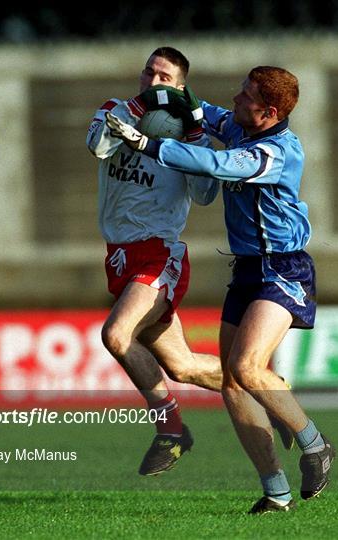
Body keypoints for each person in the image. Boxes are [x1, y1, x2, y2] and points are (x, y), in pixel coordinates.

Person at [106, 66, 336, 513]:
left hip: (283, 270)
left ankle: (315, 444)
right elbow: (205, 114)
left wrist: (147, 144)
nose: (235, 97)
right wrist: (172, 91)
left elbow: (216, 163)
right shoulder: (240, 125)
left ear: (268, 112)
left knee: (248, 368)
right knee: (232, 383)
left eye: (245, 95)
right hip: (247, 270)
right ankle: (276, 491)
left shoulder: (276, 151)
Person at [86, 47, 223, 476]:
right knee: (182, 366)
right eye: (150, 73)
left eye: (165, 78)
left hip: (159, 253)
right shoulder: (114, 111)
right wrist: (138, 108)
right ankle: (267, 388)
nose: (154, 81)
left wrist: (196, 137)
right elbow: (98, 146)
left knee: (117, 334)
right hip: (120, 256)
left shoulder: (185, 136)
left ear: (181, 88)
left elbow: (204, 196)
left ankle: (171, 430)